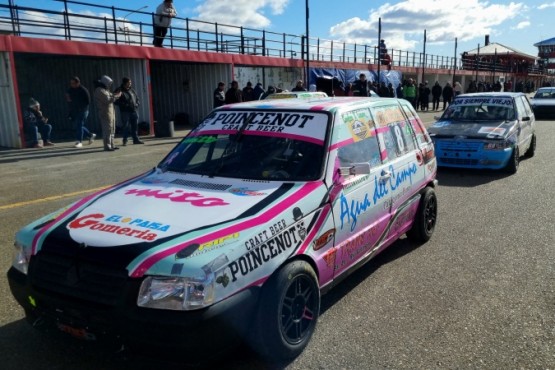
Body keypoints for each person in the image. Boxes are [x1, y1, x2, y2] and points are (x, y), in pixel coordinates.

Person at [94, 75, 121, 151]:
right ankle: (107, 146)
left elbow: (110, 97)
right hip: (105, 113)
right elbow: (107, 100)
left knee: (112, 129)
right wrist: (116, 96)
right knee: (107, 130)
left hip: (110, 112)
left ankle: (112, 144)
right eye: (109, 83)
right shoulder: (99, 90)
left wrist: (115, 94)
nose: (110, 85)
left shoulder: (105, 90)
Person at [66, 76, 95, 148]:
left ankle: (79, 141)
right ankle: (90, 135)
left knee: (79, 124)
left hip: (83, 110)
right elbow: (68, 95)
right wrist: (68, 98)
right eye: (71, 83)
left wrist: (80, 106)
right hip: (75, 111)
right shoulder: (70, 90)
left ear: (78, 83)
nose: (72, 85)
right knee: (78, 125)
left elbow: (88, 101)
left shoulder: (83, 90)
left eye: (73, 83)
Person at [115, 77, 144, 146]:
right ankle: (125, 140)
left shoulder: (132, 90)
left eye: (130, 82)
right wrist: (125, 105)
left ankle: (136, 139)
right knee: (126, 126)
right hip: (125, 112)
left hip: (134, 111)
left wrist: (137, 104)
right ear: (125, 83)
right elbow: (115, 101)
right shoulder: (119, 90)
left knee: (135, 126)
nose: (130, 84)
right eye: (129, 82)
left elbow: (137, 98)